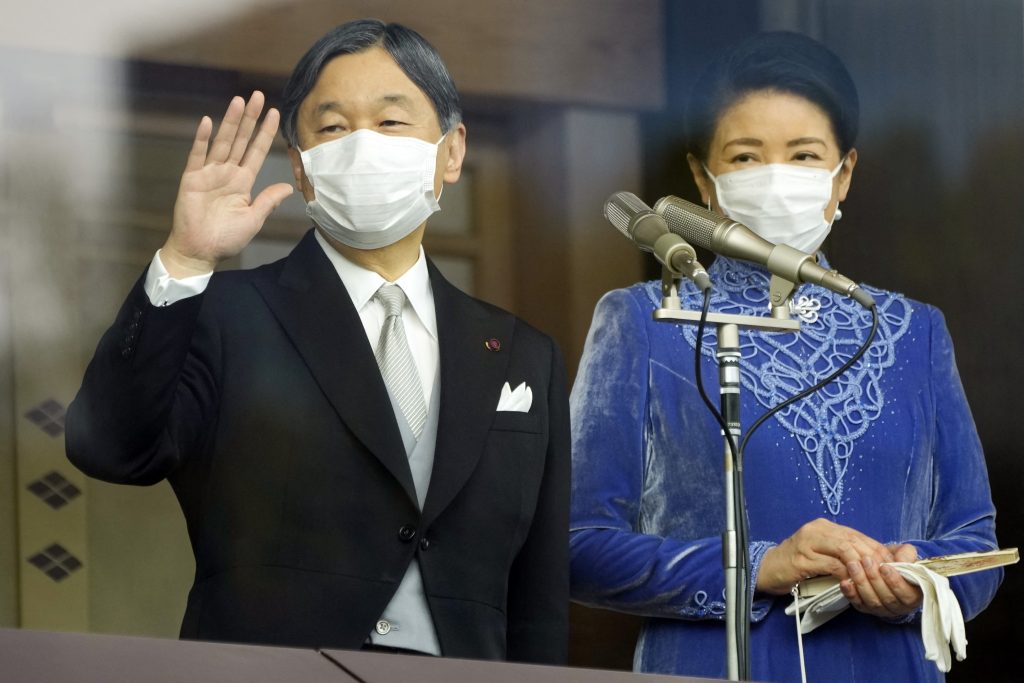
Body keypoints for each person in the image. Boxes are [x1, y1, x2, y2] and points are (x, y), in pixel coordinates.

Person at [65, 19, 569, 664]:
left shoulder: (523, 352)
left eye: (391, 123)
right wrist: (185, 259)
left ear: (452, 150)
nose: (362, 147)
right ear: (301, 169)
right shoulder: (227, 314)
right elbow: (110, 449)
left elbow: (541, 588)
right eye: (332, 128)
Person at [568, 31, 1001, 682]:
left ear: (843, 173)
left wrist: (917, 581)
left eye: (804, 156)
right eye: (746, 157)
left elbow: (976, 543)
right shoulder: (643, 320)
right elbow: (574, 546)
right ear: (702, 178)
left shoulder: (914, 330)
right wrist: (760, 566)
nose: (777, 178)